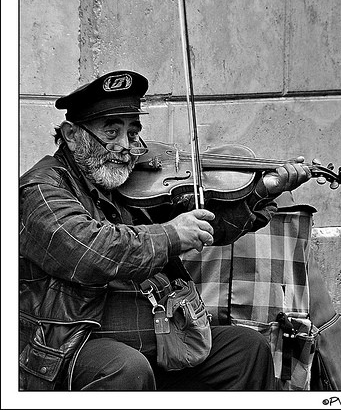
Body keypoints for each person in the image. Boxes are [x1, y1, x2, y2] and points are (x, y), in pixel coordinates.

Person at [19, 70, 312, 391]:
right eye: (111, 132)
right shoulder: (42, 189)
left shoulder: (127, 182)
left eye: (132, 132)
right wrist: (171, 234)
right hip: (71, 344)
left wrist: (261, 190)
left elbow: (207, 226)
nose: (126, 147)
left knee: (246, 349)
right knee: (127, 368)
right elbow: (92, 252)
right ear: (72, 134)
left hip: (160, 335)